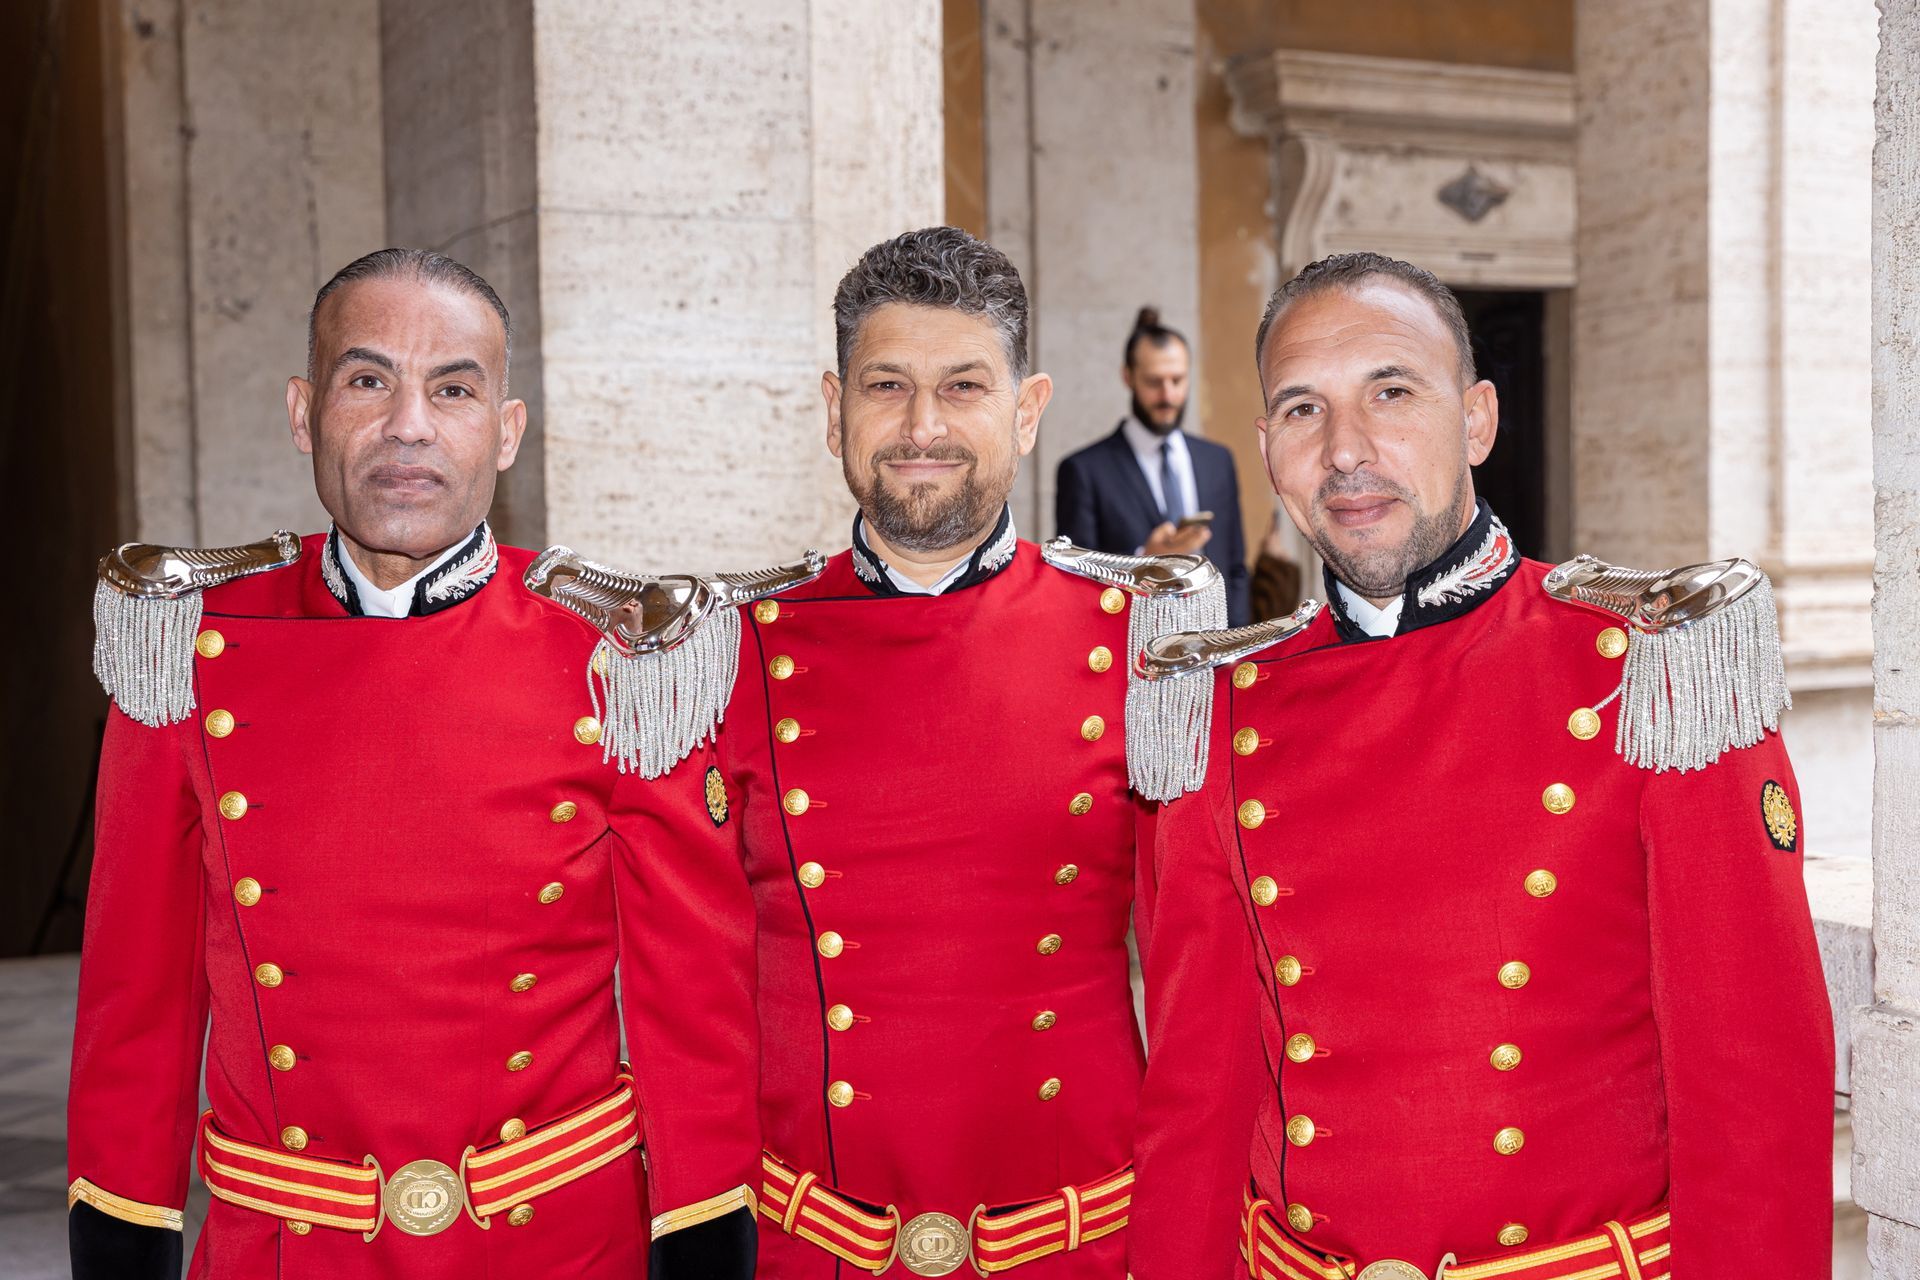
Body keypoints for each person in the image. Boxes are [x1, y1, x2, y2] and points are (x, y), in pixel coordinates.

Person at [1127, 252, 1833, 1280]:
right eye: (1303, 410)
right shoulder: (1222, 707)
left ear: (1477, 421)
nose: (1346, 450)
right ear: (1269, 449)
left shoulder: (1652, 676)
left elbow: (1754, 1097)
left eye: (1392, 393)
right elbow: (1197, 1103)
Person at [68, 248, 770, 1279]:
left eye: (453, 389)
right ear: (304, 412)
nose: (409, 426)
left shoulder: (619, 658)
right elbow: (137, 1006)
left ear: (507, 431)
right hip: (288, 1254)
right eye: (368, 380)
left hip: (559, 1252)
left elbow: (695, 1011)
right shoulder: (187, 646)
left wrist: (704, 1251)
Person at [619, 226, 1226, 1279]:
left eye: (963, 387)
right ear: (834, 410)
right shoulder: (724, 650)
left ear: (1026, 411)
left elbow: (1198, 994)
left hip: (1078, 1248)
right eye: (886, 385)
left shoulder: (1141, 645)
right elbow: (687, 988)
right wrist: (703, 1236)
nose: (921, 426)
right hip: (810, 1250)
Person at [1056, 307, 1251, 625]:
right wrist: (1143, 562)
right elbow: (1075, 586)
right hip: (1129, 645)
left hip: (1214, 642)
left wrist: (1236, 644)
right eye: (1153, 382)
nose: (1168, 395)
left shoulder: (1217, 461)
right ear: (1128, 377)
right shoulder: (1083, 471)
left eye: (1177, 380)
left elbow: (1236, 570)